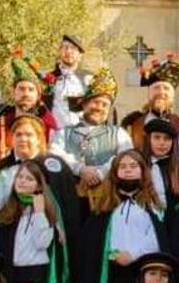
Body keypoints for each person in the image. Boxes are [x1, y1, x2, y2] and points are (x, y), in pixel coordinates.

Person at [75, 150, 170, 283]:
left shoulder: (152, 207)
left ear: (142, 171)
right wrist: (112, 254)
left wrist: (133, 255)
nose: (128, 170)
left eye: (133, 166)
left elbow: (156, 239)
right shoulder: (105, 207)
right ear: (115, 172)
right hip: (111, 271)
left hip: (142, 271)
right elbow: (92, 244)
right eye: (123, 166)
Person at [50, 67, 133, 211]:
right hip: (71, 202)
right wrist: (80, 169)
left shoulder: (119, 133)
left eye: (104, 105)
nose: (99, 108)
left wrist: (100, 173)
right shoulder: (64, 133)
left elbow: (126, 157)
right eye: (95, 102)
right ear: (84, 104)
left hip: (108, 202)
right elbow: (54, 154)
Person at [0, 115, 81, 221]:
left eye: (29, 135)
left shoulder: (54, 166)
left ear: (39, 139)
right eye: (18, 135)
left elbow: (69, 203)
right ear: (12, 138)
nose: (23, 139)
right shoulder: (1, 167)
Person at [0, 54, 58, 165]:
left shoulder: (48, 125)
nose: (26, 94)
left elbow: (55, 160)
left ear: (38, 96)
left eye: (31, 90)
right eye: (21, 89)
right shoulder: (0, 122)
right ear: (14, 93)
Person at [123, 53, 179, 159]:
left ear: (173, 95)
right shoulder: (133, 127)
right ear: (148, 93)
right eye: (156, 88)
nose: (161, 92)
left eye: (166, 88)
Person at [44, 35, 94, 129]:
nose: (68, 51)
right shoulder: (48, 78)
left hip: (82, 135)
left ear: (80, 55)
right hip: (54, 135)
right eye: (65, 47)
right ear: (59, 51)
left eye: (73, 48)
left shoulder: (89, 79)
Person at [144, 119, 179, 209]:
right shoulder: (139, 165)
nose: (162, 143)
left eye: (167, 139)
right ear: (148, 139)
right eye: (157, 137)